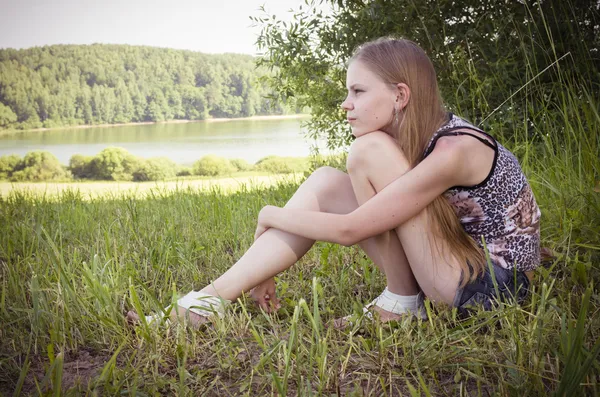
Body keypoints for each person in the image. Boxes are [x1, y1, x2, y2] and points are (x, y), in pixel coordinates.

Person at [127, 37, 540, 328]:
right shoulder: (416, 137)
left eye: (357, 91)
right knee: (326, 182)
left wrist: (268, 214)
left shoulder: (455, 150)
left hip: (488, 289)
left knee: (365, 151)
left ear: (400, 95)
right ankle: (210, 300)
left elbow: (351, 229)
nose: (346, 104)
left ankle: (402, 304)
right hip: (455, 260)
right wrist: (261, 265)